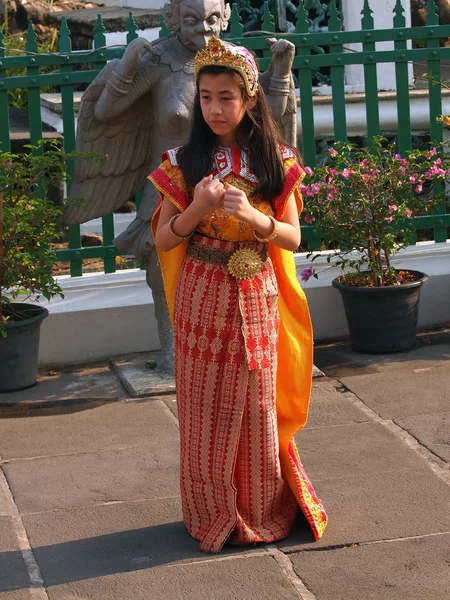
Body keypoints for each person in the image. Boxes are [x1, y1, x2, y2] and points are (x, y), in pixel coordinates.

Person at [149, 35, 327, 554]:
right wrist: (196, 210)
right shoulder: (183, 161)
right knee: (203, 405)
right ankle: (210, 513)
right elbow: (163, 238)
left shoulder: (277, 158)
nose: (214, 108)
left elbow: (295, 237)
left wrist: (256, 219)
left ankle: (262, 511)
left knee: (256, 401)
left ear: (250, 98)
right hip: (202, 289)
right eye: (205, 97)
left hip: (256, 290)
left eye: (226, 96)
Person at [63, 0, 298, 376]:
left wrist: (281, 72)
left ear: (223, 18)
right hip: (173, 182)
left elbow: (265, 116)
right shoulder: (159, 62)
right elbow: (105, 113)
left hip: (242, 208)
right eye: (191, 20)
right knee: (163, 269)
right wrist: (125, 67)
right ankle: (173, 347)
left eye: (211, 20)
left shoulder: (234, 62)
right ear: (172, 18)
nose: (202, 31)